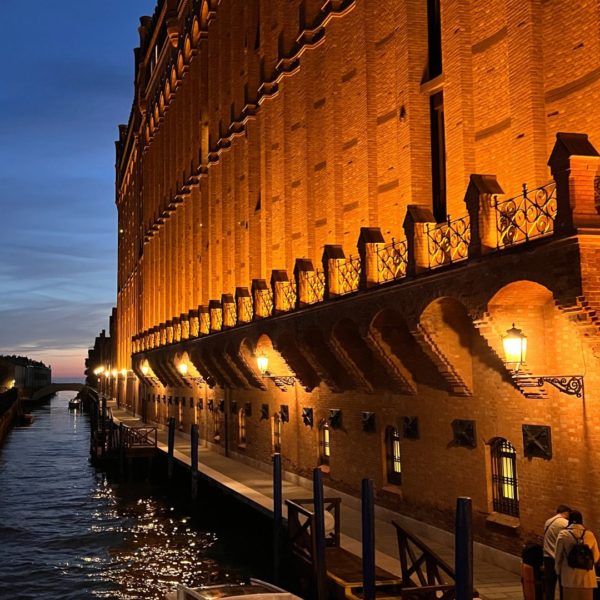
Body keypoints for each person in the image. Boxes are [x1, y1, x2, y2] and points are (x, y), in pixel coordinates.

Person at [555, 510, 600, 600]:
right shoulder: (590, 534)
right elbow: (596, 556)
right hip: (587, 578)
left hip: (569, 577)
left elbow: (558, 556)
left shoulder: (563, 534)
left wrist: (558, 571)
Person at [544, 505, 571, 600]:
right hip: (559, 558)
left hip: (547, 556)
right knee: (562, 584)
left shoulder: (548, 521)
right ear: (566, 512)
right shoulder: (565, 523)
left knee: (549, 584)